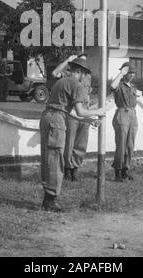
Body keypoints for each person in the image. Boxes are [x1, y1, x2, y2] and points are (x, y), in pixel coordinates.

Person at [40, 57, 105, 212]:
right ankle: (50, 201)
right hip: (57, 120)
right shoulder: (75, 84)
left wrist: (89, 120)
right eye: (85, 74)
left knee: (48, 158)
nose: (85, 77)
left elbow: (68, 111)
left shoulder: (62, 81)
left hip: (48, 117)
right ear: (81, 72)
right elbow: (80, 111)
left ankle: (47, 198)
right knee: (56, 159)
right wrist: (99, 112)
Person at [52, 53, 92, 182]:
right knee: (69, 143)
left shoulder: (87, 77)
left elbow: (88, 94)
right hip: (72, 112)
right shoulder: (69, 77)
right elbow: (55, 74)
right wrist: (67, 60)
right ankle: (67, 170)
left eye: (85, 62)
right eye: (80, 62)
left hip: (84, 112)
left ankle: (75, 169)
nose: (83, 64)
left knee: (81, 144)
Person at [110, 62, 138, 182]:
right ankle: (118, 172)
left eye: (133, 73)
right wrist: (121, 73)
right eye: (129, 72)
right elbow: (112, 86)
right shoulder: (119, 85)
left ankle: (126, 170)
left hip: (132, 115)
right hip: (122, 114)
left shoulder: (133, 87)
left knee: (130, 146)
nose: (131, 75)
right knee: (121, 145)